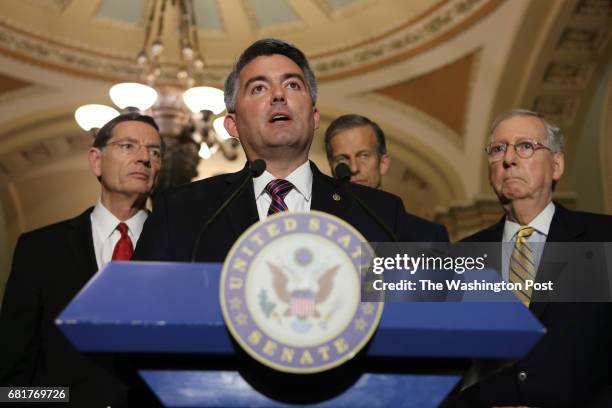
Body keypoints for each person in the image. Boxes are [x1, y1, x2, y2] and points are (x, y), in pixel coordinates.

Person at [134, 38, 448, 266]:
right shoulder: (181, 213)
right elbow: (141, 309)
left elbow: (443, 291)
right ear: (232, 125)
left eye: (293, 85)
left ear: (313, 118)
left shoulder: (380, 213)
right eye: (258, 88)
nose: (278, 96)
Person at [0, 113, 163, 407]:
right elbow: (12, 375)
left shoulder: (180, 246)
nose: (144, 158)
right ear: (96, 161)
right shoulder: (40, 249)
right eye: (128, 146)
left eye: (154, 152)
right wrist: (59, 400)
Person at [452, 109, 612, 407]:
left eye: (525, 146)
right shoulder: (461, 258)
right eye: (498, 149)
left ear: (557, 164)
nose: (509, 159)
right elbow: (445, 371)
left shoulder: (603, 239)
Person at [324, 113, 448, 241]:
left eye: (364, 155)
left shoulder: (428, 235)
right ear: (332, 169)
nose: (354, 168)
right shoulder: (321, 235)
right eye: (342, 159)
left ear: (383, 164)